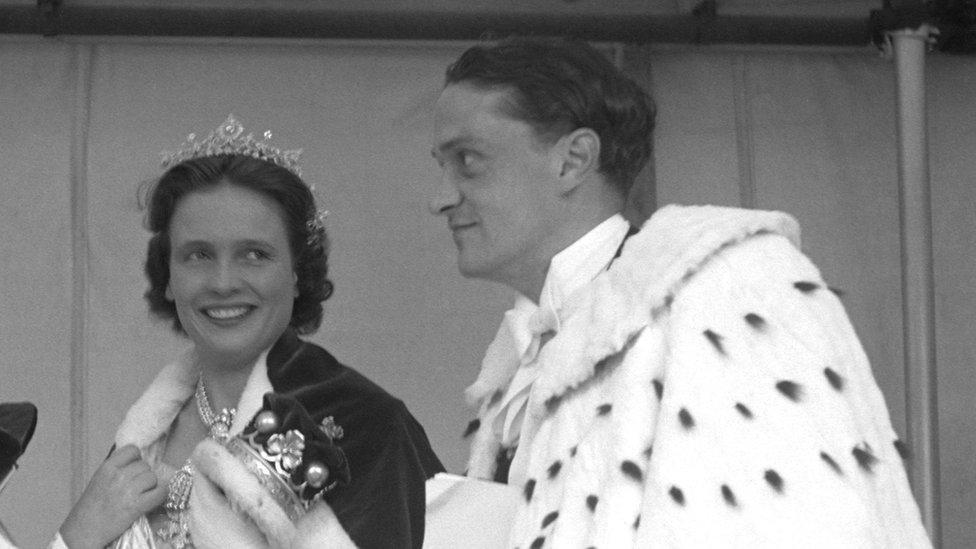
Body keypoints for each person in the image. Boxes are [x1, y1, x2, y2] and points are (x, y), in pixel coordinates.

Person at [428, 37, 931, 547]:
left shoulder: (728, 290)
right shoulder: (521, 362)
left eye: (468, 160)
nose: (440, 198)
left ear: (573, 159)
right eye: (441, 167)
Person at [56, 115, 444, 549]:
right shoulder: (144, 438)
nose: (223, 282)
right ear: (167, 275)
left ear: (297, 273)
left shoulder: (367, 426)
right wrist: (75, 538)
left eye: (254, 255)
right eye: (198, 255)